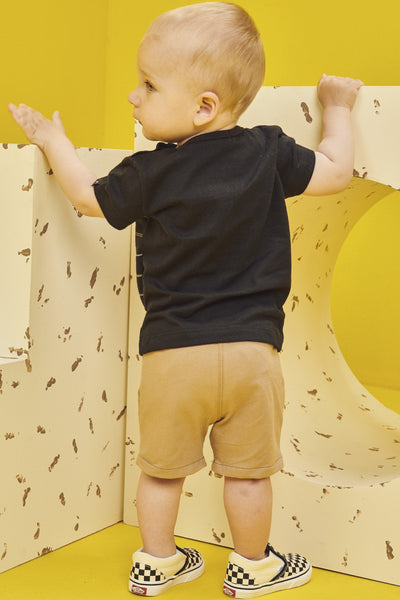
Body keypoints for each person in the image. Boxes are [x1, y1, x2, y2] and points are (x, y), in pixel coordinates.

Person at [9, 2, 363, 598]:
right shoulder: (268, 151)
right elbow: (335, 172)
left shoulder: (149, 173)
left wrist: (52, 139)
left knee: (161, 471)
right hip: (252, 356)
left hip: (172, 356)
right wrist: (337, 108)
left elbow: (86, 197)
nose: (133, 96)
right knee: (248, 476)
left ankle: (157, 563)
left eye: (148, 85)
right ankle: (253, 568)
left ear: (203, 106)